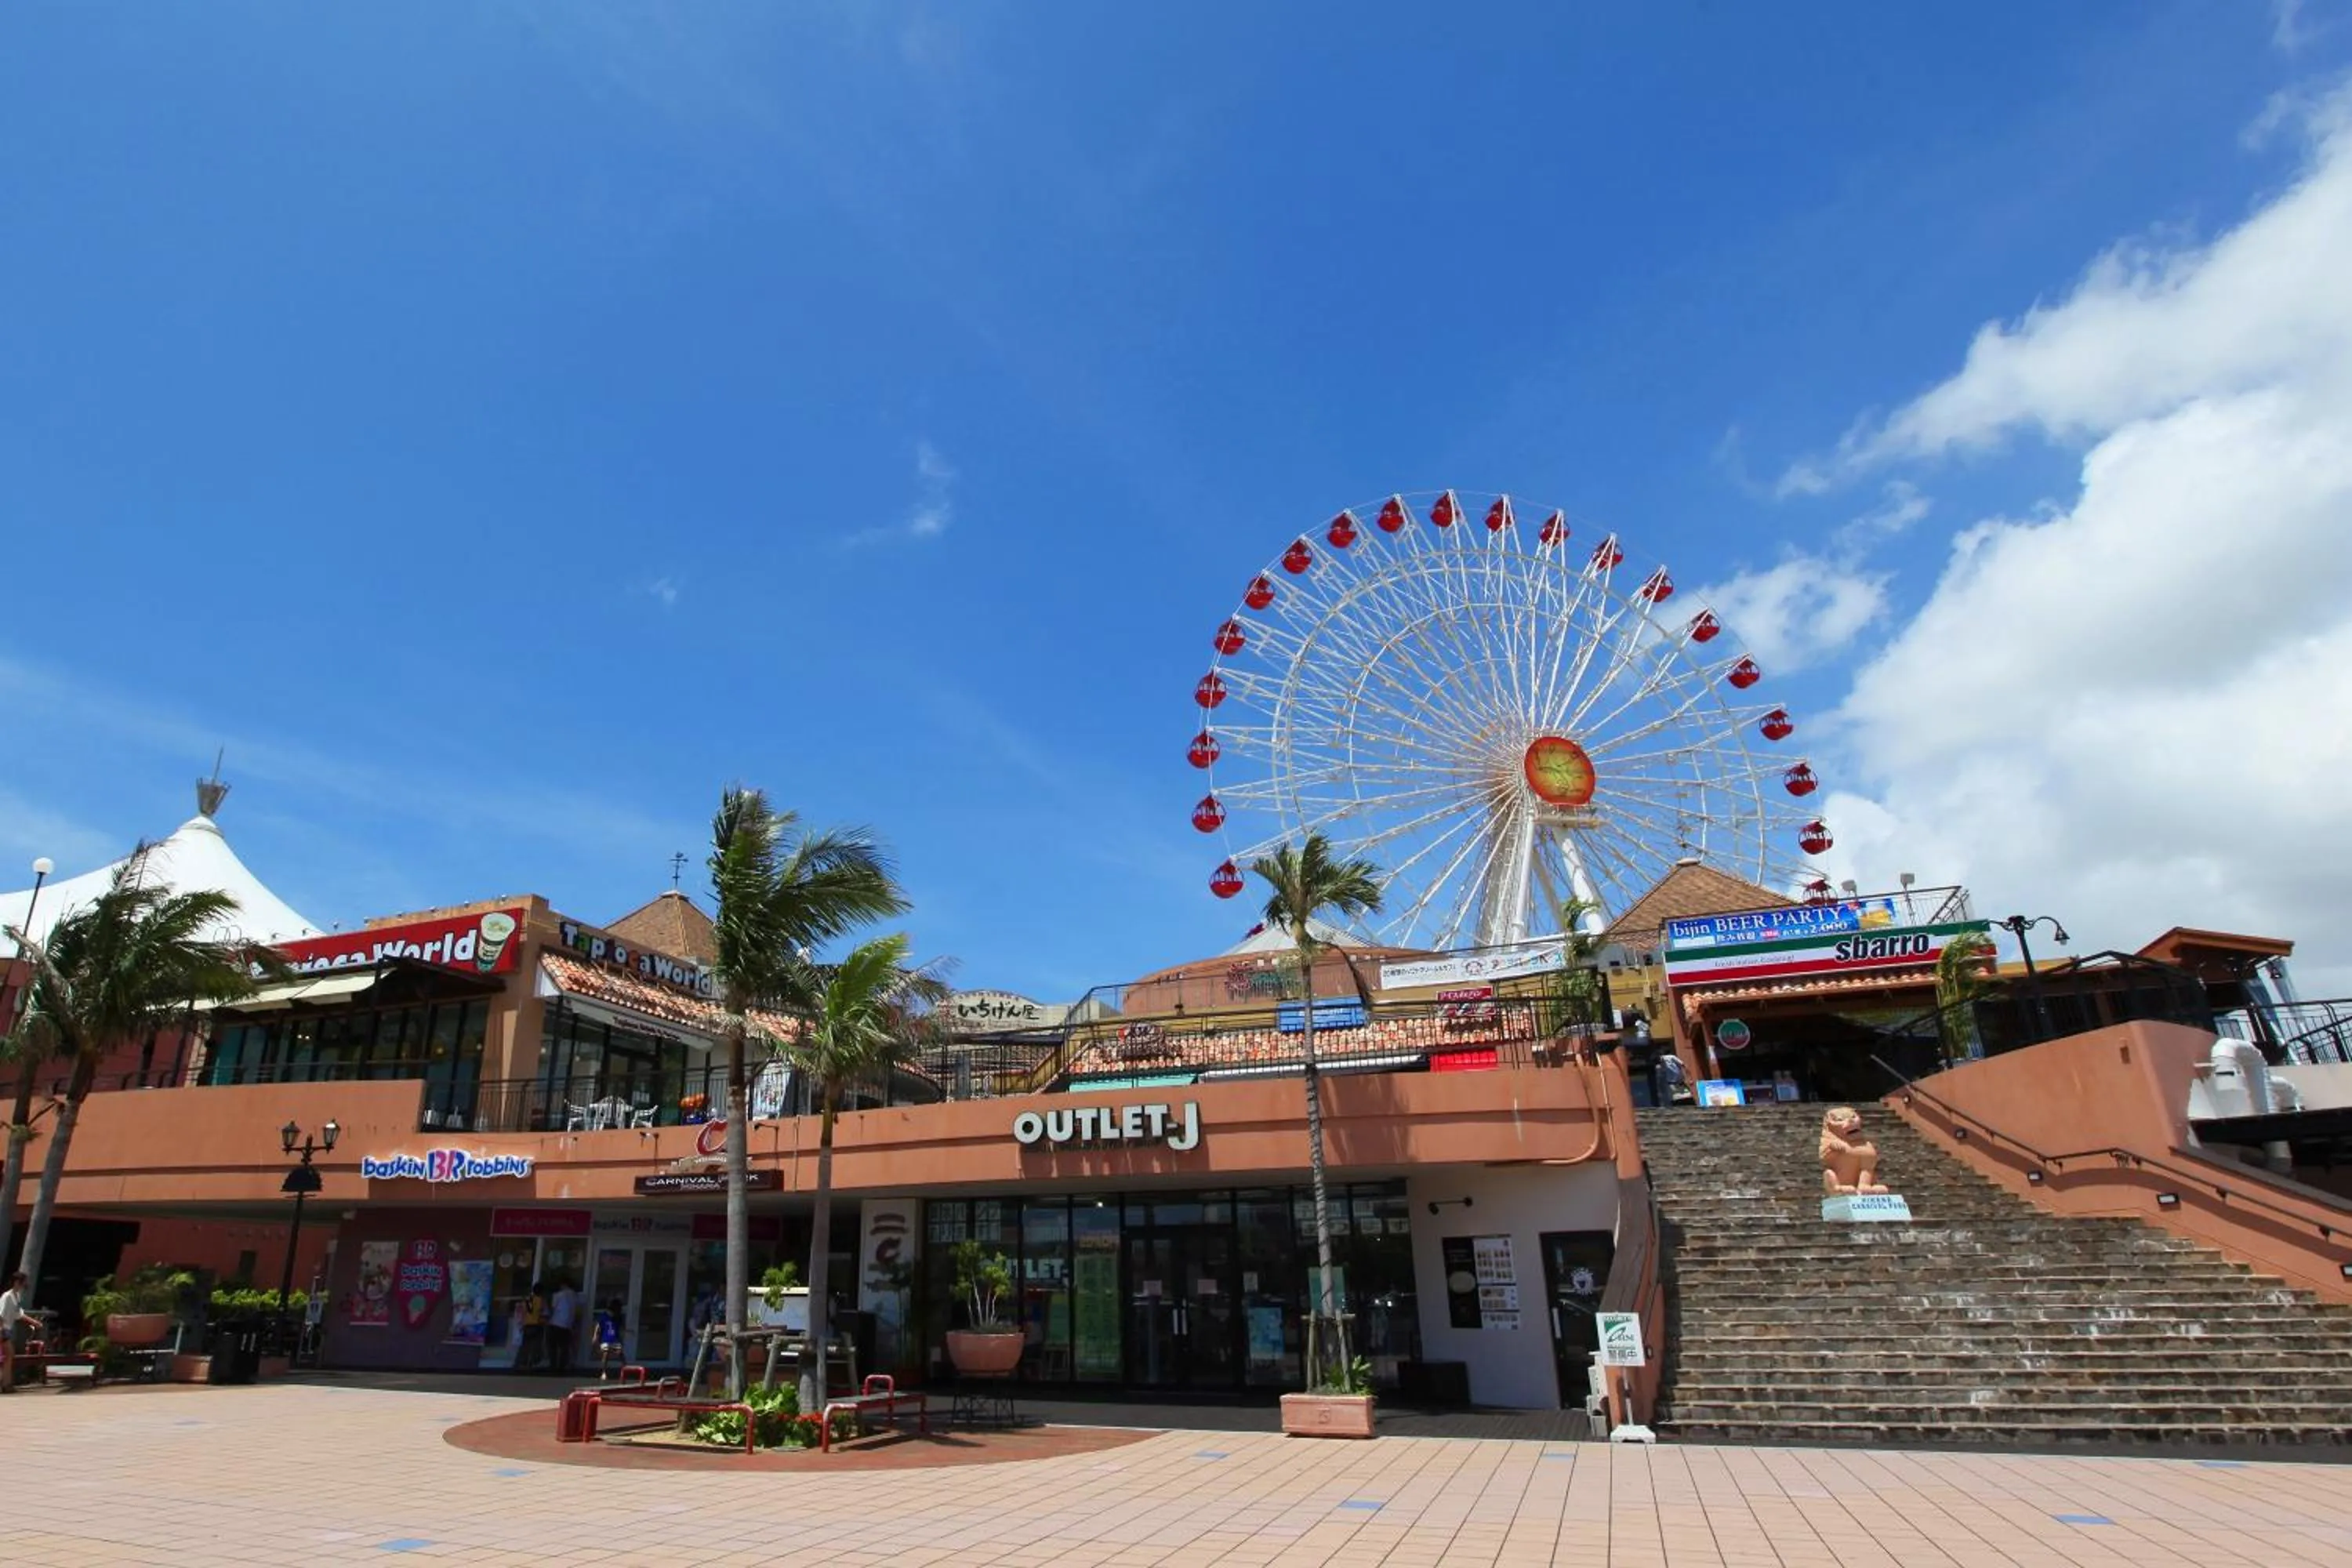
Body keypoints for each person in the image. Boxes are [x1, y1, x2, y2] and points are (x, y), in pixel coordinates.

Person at [0, 1271, 28, 1392]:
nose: (24, 1286)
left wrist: (33, 1322)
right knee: (9, 1355)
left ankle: (6, 1383)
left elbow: (18, 1315)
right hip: (2, 1329)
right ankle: (6, 1384)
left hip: (6, 1330)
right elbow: (0, 1314)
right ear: (17, 1283)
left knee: (8, 1356)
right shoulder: (6, 1296)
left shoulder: (16, 1297)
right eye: (23, 1283)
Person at [547, 1277, 579, 1374]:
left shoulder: (558, 1295)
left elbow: (553, 1309)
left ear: (563, 1284)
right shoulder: (575, 1295)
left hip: (556, 1322)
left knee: (553, 1346)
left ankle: (553, 1366)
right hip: (568, 1324)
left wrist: (548, 1319)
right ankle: (562, 1366)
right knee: (564, 1347)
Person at [518, 1281, 548, 1372]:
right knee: (535, 1345)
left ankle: (523, 1363)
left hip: (527, 1325)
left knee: (526, 1345)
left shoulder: (529, 1300)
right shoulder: (541, 1300)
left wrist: (522, 1324)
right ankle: (532, 1363)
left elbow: (524, 1312)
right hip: (537, 1325)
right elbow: (544, 1312)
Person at [593, 1299, 625, 1380]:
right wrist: (595, 1336)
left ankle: (625, 1370)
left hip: (615, 1339)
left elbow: (620, 1329)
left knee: (620, 1353)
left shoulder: (618, 1317)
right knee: (606, 1353)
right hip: (605, 1339)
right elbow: (598, 1327)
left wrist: (622, 1338)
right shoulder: (604, 1316)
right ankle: (604, 1372)